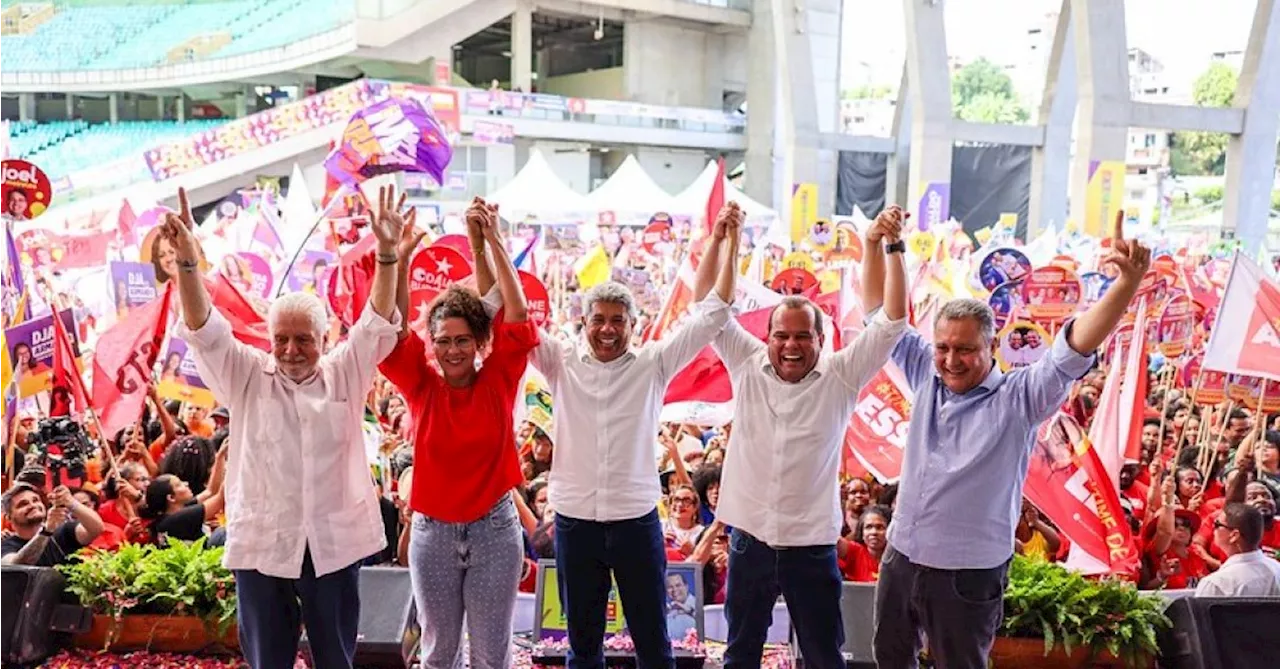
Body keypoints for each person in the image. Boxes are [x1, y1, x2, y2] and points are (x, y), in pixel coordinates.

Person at [870, 214, 1151, 669]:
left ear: (992, 345)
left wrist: (1124, 285)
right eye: (942, 347)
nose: (950, 359)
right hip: (902, 558)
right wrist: (886, 248)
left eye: (964, 350)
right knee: (888, 657)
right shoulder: (925, 371)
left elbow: (1071, 351)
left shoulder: (1019, 397)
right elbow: (886, 318)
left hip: (967, 574)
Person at [482, 203, 744, 669]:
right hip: (576, 522)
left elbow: (712, 313)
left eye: (617, 320)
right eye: (598, 319)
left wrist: (726, 239)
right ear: (584, 323)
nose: (607, 329)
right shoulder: (559, 361)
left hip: (635, 522)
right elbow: (514, 314)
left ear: (632, 324)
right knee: (582, 647)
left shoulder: (653, 364)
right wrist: (494, 244)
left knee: (653, 642)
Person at [161, 185, 407, 669]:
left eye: (303, 340)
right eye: (282, 339)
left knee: (336, 659)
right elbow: (205, 332)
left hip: (332, 546)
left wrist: (386, 255)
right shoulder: (248, 374)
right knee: (266, 662)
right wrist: (190, 268)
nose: (291, 350)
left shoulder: (345, 371)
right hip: (263, 546)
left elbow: (378, 322)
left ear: (326, 337)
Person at [712, 205, 909, 668]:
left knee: (823, 656)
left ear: (822, 339)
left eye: (803, 336)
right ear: (768, 337)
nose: (791, 345)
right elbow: (714, 311)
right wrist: (728, 242)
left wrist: (887, 246)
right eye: (781, 336)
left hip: (812, 545)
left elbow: (892, 321)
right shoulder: (746, 363)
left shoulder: (842, 376)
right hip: (751, 541)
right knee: (739, 655)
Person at [377, 196, 535, 669]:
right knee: (438, 653)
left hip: (495, 531)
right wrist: (400, 260)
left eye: (462, 339)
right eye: (442, 340)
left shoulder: (500, 379)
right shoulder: (420, 385)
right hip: (432, 534)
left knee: (492, 655)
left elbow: (518, 313)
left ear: (479, 342)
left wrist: (489, 243)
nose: (451, 349)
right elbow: (393, 329)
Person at [1, 483, 105, 566]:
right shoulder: (6, 546)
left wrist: (71, 503)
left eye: (36, 500)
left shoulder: (64, 531)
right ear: (9, 517)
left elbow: (96, 529)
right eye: (23, 504)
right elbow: (15, 567)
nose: (32, 505)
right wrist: (46, 531)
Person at [1195, 503, 1280, 597]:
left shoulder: (1216, 584)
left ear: (1234, 535)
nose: (1212, 528)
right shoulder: (1277, 569)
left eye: (1217, 524)